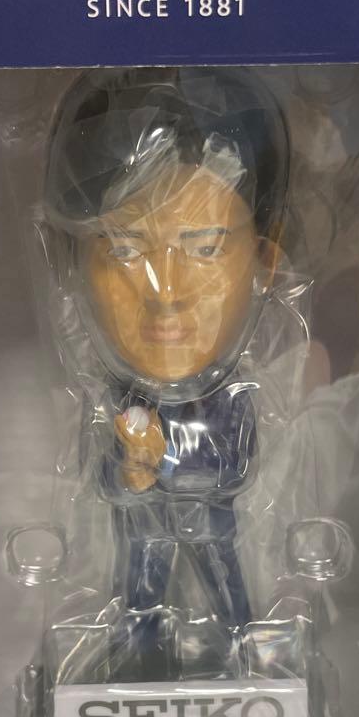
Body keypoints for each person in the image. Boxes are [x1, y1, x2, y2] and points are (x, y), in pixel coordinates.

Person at [44, 67, 290, 670]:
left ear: (265, 259)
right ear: (74, 263)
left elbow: (236, 464)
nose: (167, 293)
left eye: (205, 249)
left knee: (226, 585)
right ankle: (140, 660)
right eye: (126, 250)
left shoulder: (231, 394)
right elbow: (106, 477)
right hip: (145, 525)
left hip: (209, 523)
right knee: (139, 593)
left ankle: (243, 652)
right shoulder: (117, 398)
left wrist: (170, 465)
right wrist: (133, 466)